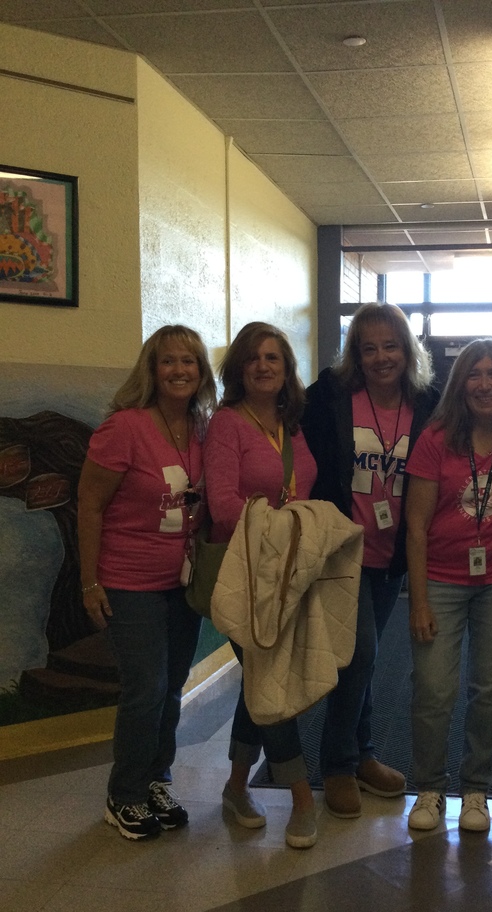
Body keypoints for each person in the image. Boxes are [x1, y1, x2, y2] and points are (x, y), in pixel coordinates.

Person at [78, 325, 217, 840]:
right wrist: (90, 583)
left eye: (190, 362)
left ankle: (156, 778)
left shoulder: (204, 428)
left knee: (172, 687)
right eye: (169, 361)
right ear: (151, 370)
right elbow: (89, 506)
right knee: (146, 687)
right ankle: (125, 794)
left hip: (182, 581)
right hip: (127, 581)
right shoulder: (124, 428)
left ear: (202, 373)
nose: (180, 370)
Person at [302, 302, 439, 818]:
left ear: (407, 350)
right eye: (369, 347)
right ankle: (337, 764)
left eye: (391, 346)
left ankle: (361, 755)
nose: (382, 357)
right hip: (342, 550)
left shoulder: (428, 404)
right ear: (355, 355)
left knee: (367, 656)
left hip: (391, 553)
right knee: (357, 655)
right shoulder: (331, 398)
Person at [405, 338, 492, 832]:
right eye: (474, 374)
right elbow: (415, 527)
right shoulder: (437, 438)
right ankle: (430, 789)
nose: (484, 383)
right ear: (461, 385)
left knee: (489, 689)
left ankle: (476, 789)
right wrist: (417, 601)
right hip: (439, 579)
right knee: (434, 690)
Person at [203, 321, 320, 849]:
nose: (263, 366)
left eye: (273, 357)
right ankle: (300, 794)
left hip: (287, 575)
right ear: (238, 369)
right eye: (252, 358)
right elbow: (223, 505)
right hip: (245, 574)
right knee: (272, 677)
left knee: (258, 679)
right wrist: (280, 529)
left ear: (286, 369)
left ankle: (234, 786)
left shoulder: (291, 423)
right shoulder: (227, 424)